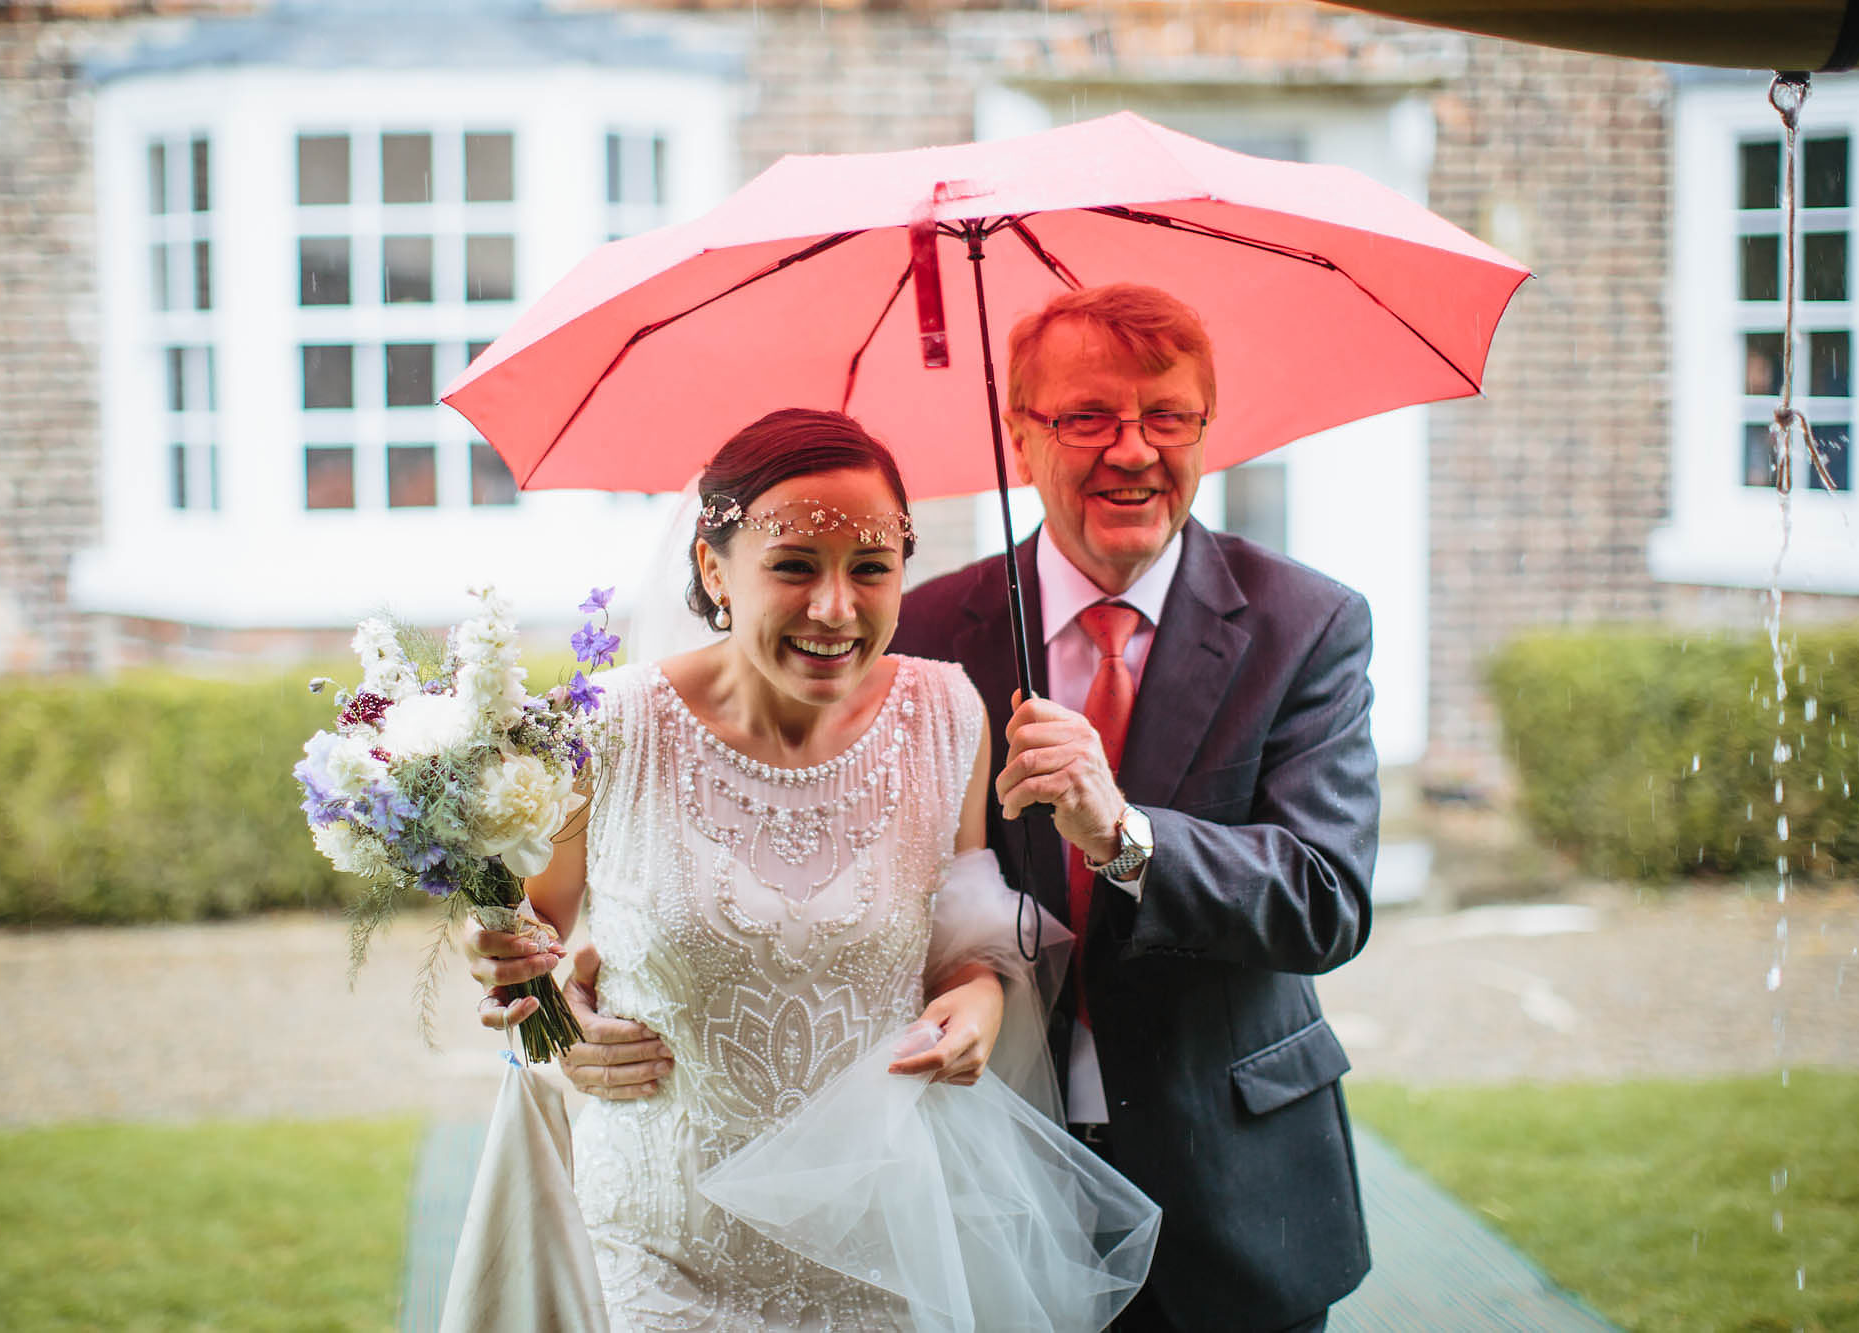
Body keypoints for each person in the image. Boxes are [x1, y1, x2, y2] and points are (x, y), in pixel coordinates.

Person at [479, 284, 1378, 1330]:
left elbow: (1326, 900)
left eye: (1166, 416)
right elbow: (588, 918)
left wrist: (1121, 836)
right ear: (1021, 432)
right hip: (947, 1183)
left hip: (1225, 1173)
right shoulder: (925, 632)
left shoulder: (1305, 623)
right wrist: (577, 993)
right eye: (1087, 416)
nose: (1130, 450)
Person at [474, 407, 1154, 1330]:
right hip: (656, 1249)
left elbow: (959, 939)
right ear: (716, 569)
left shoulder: (945, 715)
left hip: (886, 1244)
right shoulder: (609, 729)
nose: (836, 608)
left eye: (870, 569)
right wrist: (555, 1024)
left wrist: (980, 1005)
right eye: (793, 565)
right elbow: (529, 959)